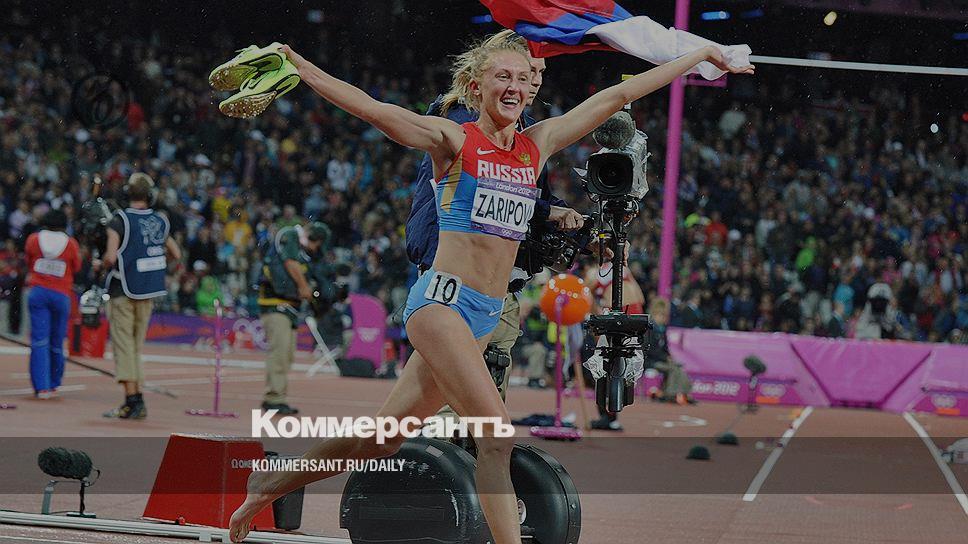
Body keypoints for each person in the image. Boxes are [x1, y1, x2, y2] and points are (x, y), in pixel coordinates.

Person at [228, 39, 750, 544]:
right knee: (496, 437)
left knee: (381, 438)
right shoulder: (453, 140)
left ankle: (269, 484)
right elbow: (372, 109)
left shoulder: (536, 146)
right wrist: (298, 64)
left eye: (523, 78)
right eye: (503, 76)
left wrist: (699, 56)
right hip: (441, 305)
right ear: (476, 87)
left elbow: (620, 95)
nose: (515, 86)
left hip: (484, 313)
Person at [405, 29, 585, 423]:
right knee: (462, 414)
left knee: (415, 420)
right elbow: (488, 191)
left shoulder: (522, 133)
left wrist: (568, 221)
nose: (533, 82)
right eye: (524, 72)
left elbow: (530, 197)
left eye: (537, 74)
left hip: (497, 286)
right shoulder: (465, 118)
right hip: (454, 281)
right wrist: (546, 212)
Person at [101, 173, 181, 419]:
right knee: (135, 347)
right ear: (150, 195)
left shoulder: (120, 220)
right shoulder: (160, 220)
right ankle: (136, 399)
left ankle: (133, 400)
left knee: (124, 346)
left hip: (123, 289)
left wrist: (100, 263)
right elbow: (176, 254)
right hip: (148, 290)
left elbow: (110, 257)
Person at [256, 220, 334, 414]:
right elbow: (289, 262)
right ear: (315, 238)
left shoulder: (303, 254)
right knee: (279, 353)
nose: (315, 249)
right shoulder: (289, 234)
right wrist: (304, 287)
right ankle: (273, 398)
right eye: (317, 244)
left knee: (287, 354)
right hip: (275, 305)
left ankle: (277, 396)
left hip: (290, 309)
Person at [24, 209, 81, 399]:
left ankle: (42, 387)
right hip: (61, 295)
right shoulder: (71, 243)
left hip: (38, 292)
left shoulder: (33, 239)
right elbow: (77, 267)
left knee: (39, 341)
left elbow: (29, 260)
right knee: (57, 341)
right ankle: (54, 382)